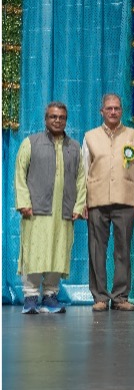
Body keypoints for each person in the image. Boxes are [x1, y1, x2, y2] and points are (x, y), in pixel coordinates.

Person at [14, 102, 86, 314]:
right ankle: (30, 297)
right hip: (36, 210)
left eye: (61, 117)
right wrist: (23, 202)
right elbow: (19, 174)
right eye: (53, 117)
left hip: (64, 210)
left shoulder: (73, 147)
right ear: (46, 119)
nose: (57, 120)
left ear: (66, 120)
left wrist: (79, 205)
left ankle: (50, 295)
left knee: (58, 252)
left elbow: (81, 178)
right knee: (34, 252)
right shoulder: (31, 143)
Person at [82, 93, 134, 312]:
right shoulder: (90, 136)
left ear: (122, 111)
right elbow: (83, 171)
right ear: (102, 111)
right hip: (96, 201)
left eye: (116, 108)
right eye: (108, 108)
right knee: (97, 250)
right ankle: (100, 297)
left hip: (125, 201)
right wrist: (83, 201)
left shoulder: (133, 135)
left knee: (123, 251)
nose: (113, 112)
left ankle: (120, 297)